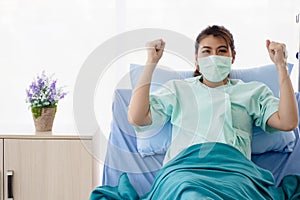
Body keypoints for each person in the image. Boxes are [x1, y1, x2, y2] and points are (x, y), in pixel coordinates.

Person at [127, 25, 298, 164]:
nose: (214, 57)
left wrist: (281, 66)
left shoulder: (252, 92)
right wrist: (151, 62)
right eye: (206, 51)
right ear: (196, 59)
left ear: (233, 57)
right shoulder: (178, 90)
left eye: (222, 51)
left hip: (234, 172)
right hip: (184, 171)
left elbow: (288, 122)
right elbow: (138, 117)